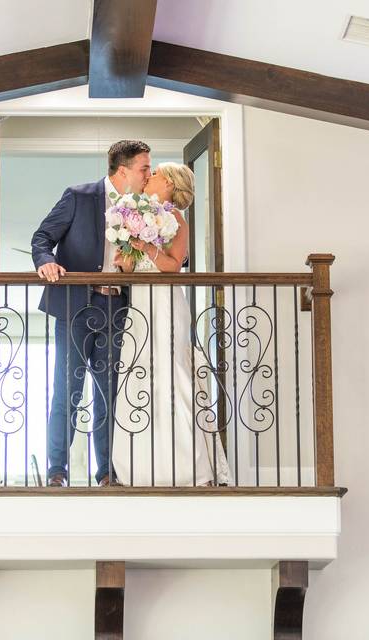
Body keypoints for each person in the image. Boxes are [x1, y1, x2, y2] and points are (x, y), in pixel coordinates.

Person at [31, 140, 152, 487]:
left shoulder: (143, 208)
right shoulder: (79, 196)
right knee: (67, 387)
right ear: (123, 170)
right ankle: (58, 471)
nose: (149, 174)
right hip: (74, 306)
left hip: (117, 307)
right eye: (144, 168)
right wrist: (47, 261)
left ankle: (107, 474)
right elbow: (42, 237)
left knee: (109, 392)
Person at [110, 162, 232, 486]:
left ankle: (184, 467)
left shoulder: (176, 219)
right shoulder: (139, 211)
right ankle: (140, 467)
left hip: (164, 303)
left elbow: (172, 268)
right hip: (140, 305)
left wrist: (147, 245)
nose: (151, 176)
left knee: (170, 371)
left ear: (170, 183)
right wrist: (124, 261)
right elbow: (133, 267)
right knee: (138, 374)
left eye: (158, 173)